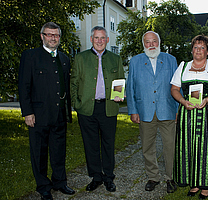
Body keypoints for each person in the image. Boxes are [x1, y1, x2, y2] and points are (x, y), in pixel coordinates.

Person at [18, 22, 75, 200]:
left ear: (59, 37)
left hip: (59, 116)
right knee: (39, 152)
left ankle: (60, 182)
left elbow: (65, 86)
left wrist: (67, 112)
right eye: (49, 34)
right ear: (42, 36)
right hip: (38, 115)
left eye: (56, 35)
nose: (53, 38)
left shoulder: (64, 58)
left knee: (59, 151)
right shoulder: (30, 56)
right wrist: (27, 112)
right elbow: (23, 85)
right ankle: (43, 186)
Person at [170, 35, 208, 199]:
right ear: (192, 50)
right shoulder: (183, 66)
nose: (199, 50)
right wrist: (182, 101)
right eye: (196, 47)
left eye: (202, 47)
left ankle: (205, 185)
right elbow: (174, 89)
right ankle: (193, 183)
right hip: (187, 113)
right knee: (188, 147)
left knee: (207, 148)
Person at [70, 26, 124, 193]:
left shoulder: (115, 58)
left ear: (107, 40)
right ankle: (96, 177)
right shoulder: (80, 58)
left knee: (108, 144)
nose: (99, 41)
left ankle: (108, 177)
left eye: (103, 38)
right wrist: (77, 103)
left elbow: (120, 81)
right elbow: (73, 82)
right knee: (90, 144)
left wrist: (119, 95)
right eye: (96, 38)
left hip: (108, 108)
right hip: (86, 109)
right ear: (91, 39)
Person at [126, 31, 178, 193]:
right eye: (147, 42)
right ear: (143, 44)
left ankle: (170, 177)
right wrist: (133, 110)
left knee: (170, 146)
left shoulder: (171, 60)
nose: (151, 45)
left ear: (159, 42)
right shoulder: (135, 61)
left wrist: (178, 109)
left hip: (167, 110)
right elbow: (131, 87)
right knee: (148, 147)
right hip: (145, 111)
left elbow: (177, 86)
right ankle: (153, 177)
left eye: (154, 41)